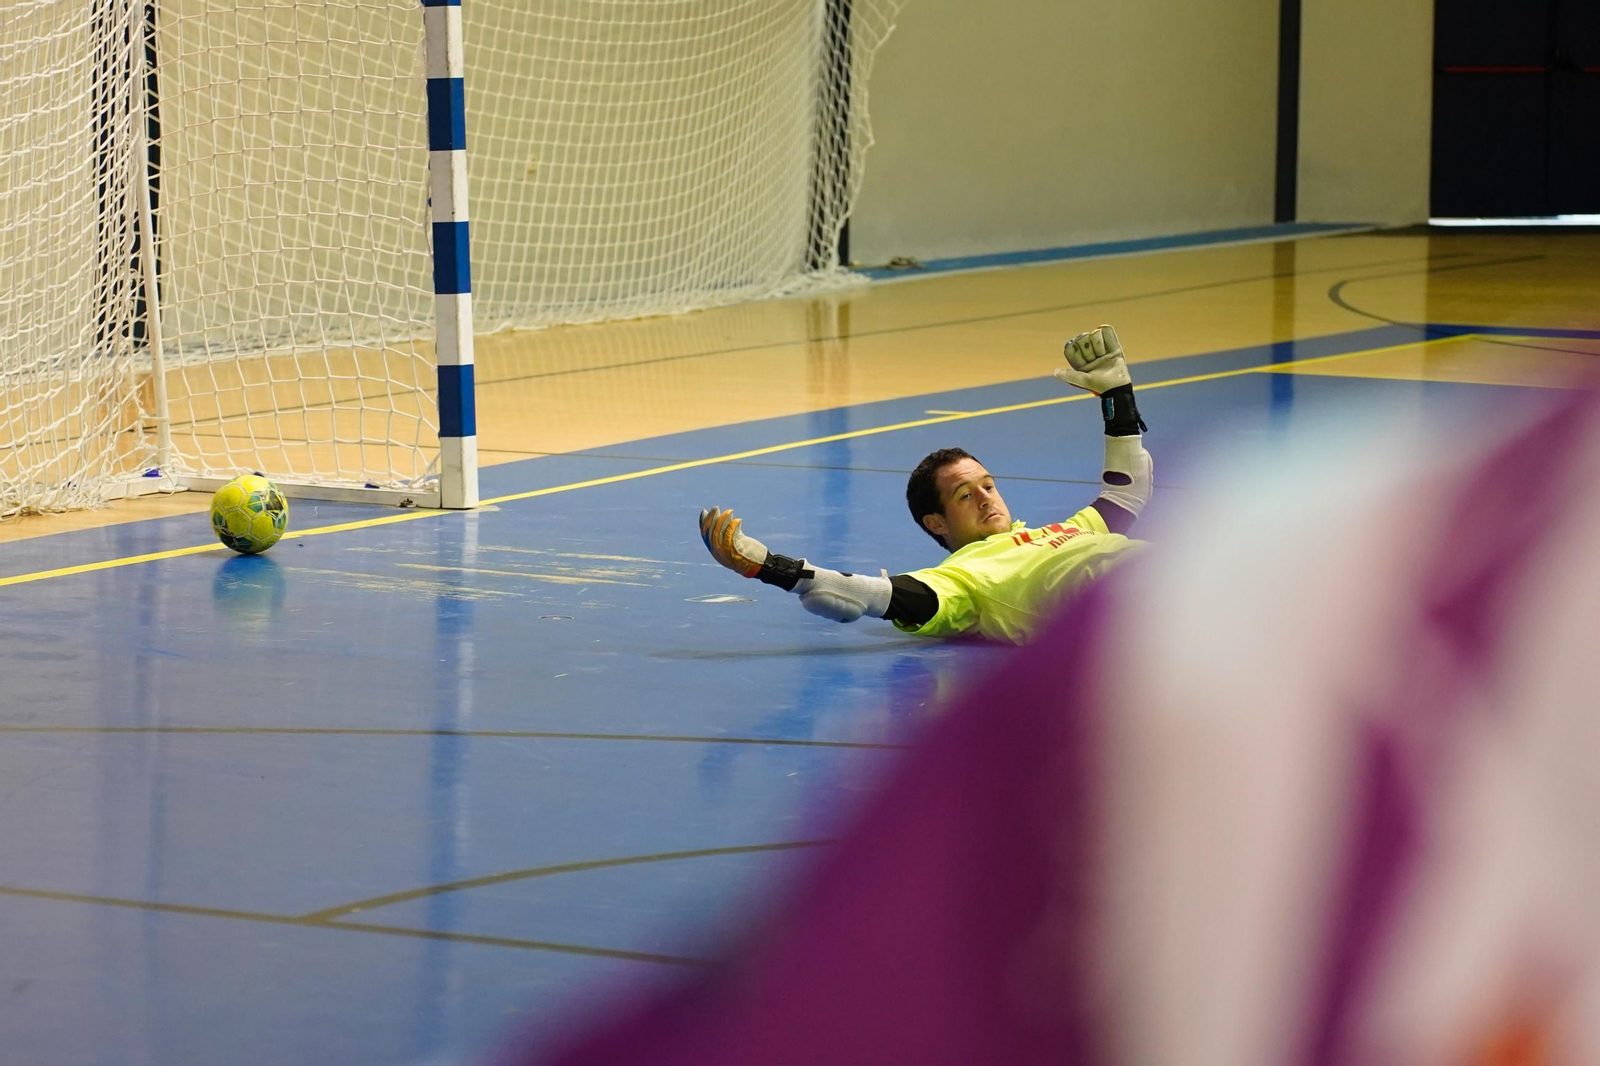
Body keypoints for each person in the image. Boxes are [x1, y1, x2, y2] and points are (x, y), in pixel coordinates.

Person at [698, 325, 1154, 644]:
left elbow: (1126, 490)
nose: (985, 497)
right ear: (935, 522)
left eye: (988, 486)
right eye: (964, 494)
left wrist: (1116, 394)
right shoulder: (962, 579)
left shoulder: (1068, 531)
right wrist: (768, 566)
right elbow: (862, 596)